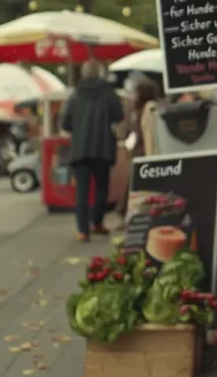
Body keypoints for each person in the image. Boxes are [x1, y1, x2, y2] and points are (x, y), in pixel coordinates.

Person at [61, 60, 124, 242]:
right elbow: (118, 116)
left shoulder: (75, 95)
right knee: (102, 188)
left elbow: (65, 123)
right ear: (99, 73)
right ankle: (97, 222)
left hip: (80, 149)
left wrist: (79, 128)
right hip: (103, 147)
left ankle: (82, 230)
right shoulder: (109, 93)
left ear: (83, 73)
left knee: (82, 190)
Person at [114, 76, 161, 224]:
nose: (132, 96)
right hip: (139, 153)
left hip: (144, 154)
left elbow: (147, 134)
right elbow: (129, 129)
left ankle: (126, 214)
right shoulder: (135, 110)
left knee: (136, 185)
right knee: (134, 185)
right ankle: (126, 213)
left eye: (135, 93)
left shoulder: (150, 109)